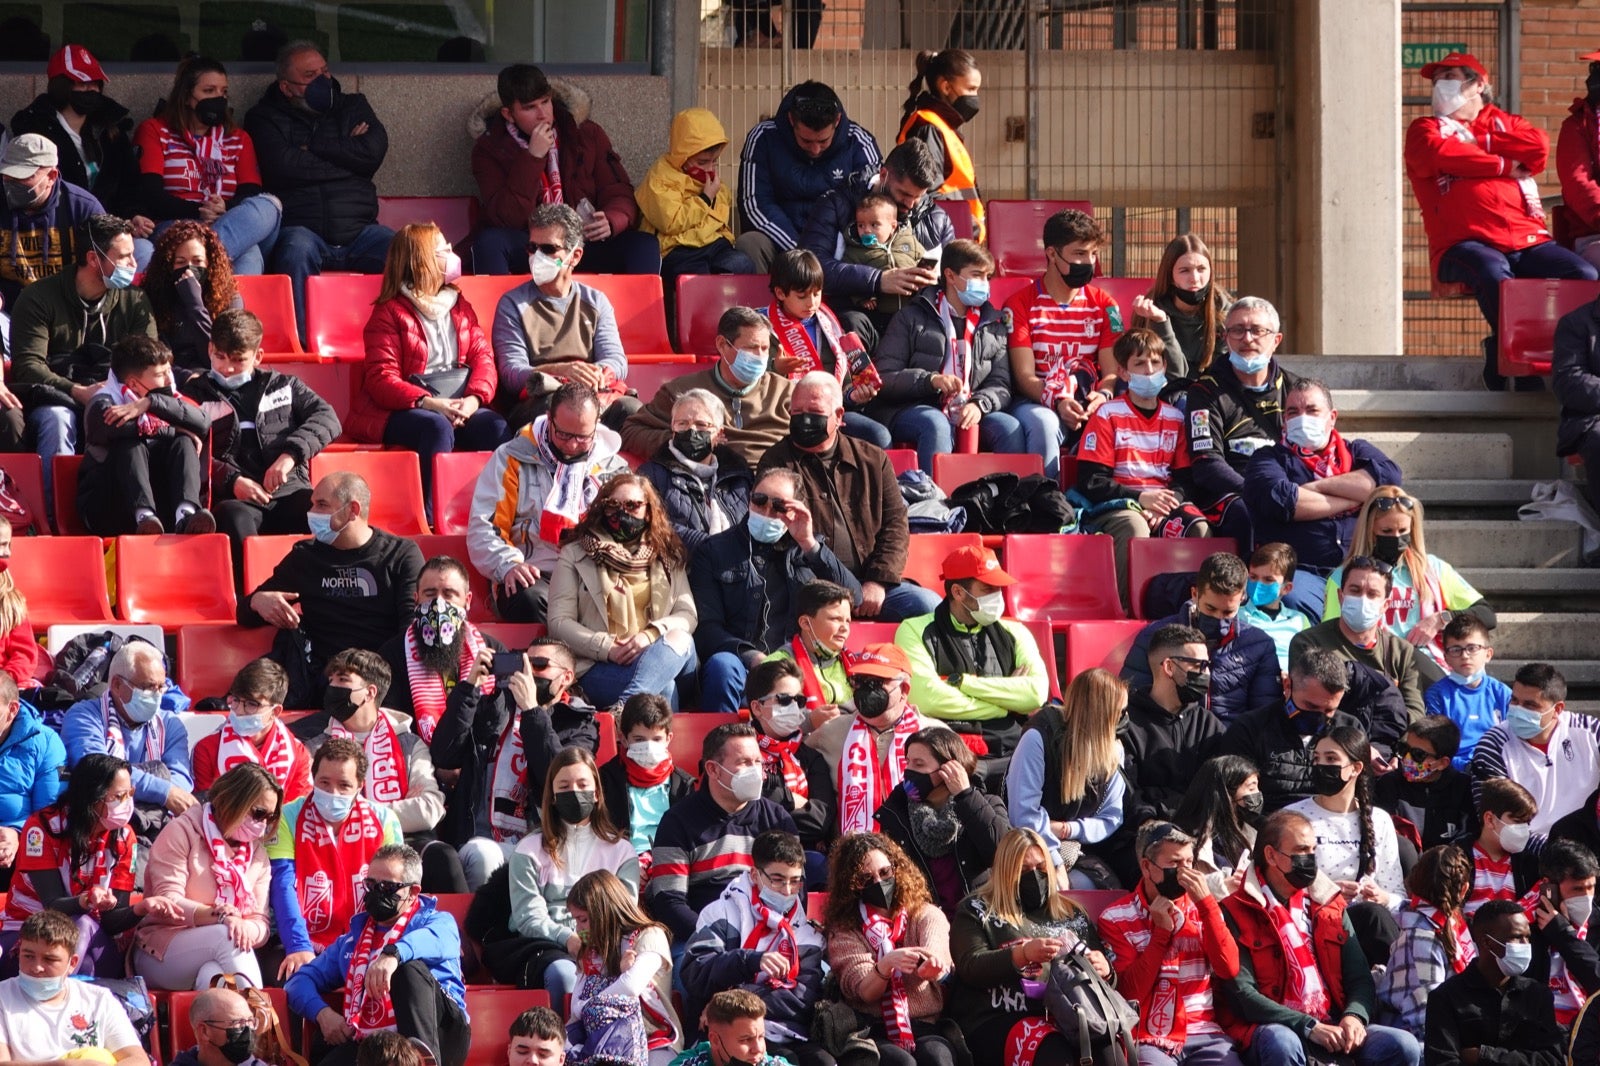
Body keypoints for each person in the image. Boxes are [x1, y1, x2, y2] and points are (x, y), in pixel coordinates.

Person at [1404, 51, 1597, 391]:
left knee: (1583, 275)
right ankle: (1515, 360)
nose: (1440, 86)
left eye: (1449, 77)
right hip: (1462, 245)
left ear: (1478, 84)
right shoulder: (1426, 128)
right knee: (1493, 271)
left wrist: (1483, 140)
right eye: (1437, 80)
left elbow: (1536, 147)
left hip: (1528, 240)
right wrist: (1503, 165)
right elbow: (1439, 153)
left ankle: (1563, 356)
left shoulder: (1508, 123)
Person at [1218, 809, 1422, 1066]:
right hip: (1273, 1027)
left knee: (1403, 1046)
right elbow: (1242, 994)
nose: (1310, 859)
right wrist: (1308, 1025)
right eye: (1301, 850)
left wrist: (1354, 1017)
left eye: (1313, 851)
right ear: (1271, 855)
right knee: (1283, 1042)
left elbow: (1359, 977)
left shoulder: (1328, 903)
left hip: (1332, 1022)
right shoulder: (1235, 910)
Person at [346, 221, 505, 511]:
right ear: (423, 262)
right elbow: (381, 379)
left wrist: (473, 400)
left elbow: (484, 358)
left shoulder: (459, 304)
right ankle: (433, 515)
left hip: (458, 404)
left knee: (496, 428)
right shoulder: (388, 313)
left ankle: (497, 512)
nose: (451, 253)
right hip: (405, 409)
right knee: (436, 428)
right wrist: (432, 404)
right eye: (443, 249)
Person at [180, 308, 341, 586]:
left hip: (289, 490)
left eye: (238, 360)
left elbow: (327, 418)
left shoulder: (285, 386)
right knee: (233, 516)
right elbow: (188, 449)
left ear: (258, 357)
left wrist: (289, 457)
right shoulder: (193, 394)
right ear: (209, 349)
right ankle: (254, 597)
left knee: (328, 514)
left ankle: (325, 595)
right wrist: (232, 480)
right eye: (219, 357)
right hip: (236, 499)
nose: (227, 368)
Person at [760, 372, 939, 621]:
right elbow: (777, 535)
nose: (804, 419)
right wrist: (839, 589)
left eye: (814, 411)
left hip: (872, 581)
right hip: (809, 585)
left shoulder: (873, 459)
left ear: (839, 416)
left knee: (929, 606)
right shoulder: (776, 461)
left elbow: (895, 526)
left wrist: (877, 582)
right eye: (797, 411)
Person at [246, 41, 394, 340]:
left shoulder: (353, 105)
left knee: (407, 251)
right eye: (310, 75)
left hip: (360, 231)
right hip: (303, 229)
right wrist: (349, 159)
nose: (323, 81)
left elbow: (372, 152)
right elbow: (282, 166)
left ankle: (397, 344)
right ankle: (300, 345)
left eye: (325, 71)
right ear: (286, 88)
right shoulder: (263, 117)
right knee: (295, 250)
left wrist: (313, 147)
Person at [240, 471, 425, 703]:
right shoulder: (305, 557)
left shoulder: (401, 555)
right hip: (325, 686)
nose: (311, 513)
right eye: (312, 504)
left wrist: (369, 679)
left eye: (322, 505)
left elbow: (411, 632)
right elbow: (244, 614)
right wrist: (258, 601)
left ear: (352, 510)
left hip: (381, 685)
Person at [10, 212, 155, 501]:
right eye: (124, 257)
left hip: (118, 395)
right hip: (55, 397)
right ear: (93, 259)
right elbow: (28, 366)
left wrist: (114, 390)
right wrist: (78, 392)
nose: (134, 264)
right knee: (57, 419)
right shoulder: (39, 298)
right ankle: (55, 514)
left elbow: (150, 360)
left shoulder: (135, 299)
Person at [439, 636, 602, 889]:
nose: (528, 672)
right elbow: (444, 755)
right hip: (478, 840)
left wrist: (532, 711)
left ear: (566, 677)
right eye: (524, 663)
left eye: (538, 665)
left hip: (544, 846)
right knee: (484, 854)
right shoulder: (495, 706)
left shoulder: (580, 724)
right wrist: (469, 688)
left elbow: (561, 777)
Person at [283, 844, 469, 1066]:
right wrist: (323, 1014)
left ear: (413, 892)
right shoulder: (352, 941)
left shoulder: (437, 921)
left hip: (442, 1035)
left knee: (406, 969)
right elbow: (297, 982)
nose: (376, 892)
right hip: (375, 1041)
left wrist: (393, 955)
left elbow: (439, 939)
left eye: (388, 887)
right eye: (370, 885)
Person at [947, 827, 1113, 1066]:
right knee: (1054, 1053)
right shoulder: (975, 910)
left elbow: (1105, 974)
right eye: (1024, 870)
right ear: (1006, 872)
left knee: (1110, 1051)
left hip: (1071, 1014)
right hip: (999, 1016)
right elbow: (970, 966)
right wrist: (1021, 955)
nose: (1034, 876)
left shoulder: (1072, 913)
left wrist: (1104, 970)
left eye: (1041, 868)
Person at [470, 63, 656, 277]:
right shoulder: (489, 148)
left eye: (546, 102)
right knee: (490, 243)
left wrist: (613, 219)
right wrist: (532, 158)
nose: (542, 114)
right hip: (532, 244)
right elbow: (505, 218)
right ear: (509, 114)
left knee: (643, 245)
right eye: (530, 108)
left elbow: (618, 189)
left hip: (582, 240)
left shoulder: (585, 134)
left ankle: (639, 311)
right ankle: (502, 310)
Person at [468, 381, 629, 624]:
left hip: (594, 571)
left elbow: (632, 530)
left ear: (596, 427)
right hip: (532, 571)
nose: (572, 445)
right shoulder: (511, 457)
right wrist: (507, 564)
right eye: (563, 434)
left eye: (582, 437)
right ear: (548, 418)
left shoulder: (612, 467)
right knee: (528, 600)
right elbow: (484, 527)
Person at [1242, 378, 1403, 619]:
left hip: (1360, 568)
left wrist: (1316, 488)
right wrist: (1358, 497)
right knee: (1293, 597)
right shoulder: (1268, 458)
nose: (1302, 417)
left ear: (1332, 417)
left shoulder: (1355, 452)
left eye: (1312, 410)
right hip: (1301, 572)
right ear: (1284, 420)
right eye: (1293, 412)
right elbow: (1287, 501)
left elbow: (1390, 478)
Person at [490, 746, 638, 1000]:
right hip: (547, 946)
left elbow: (624, 912)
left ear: (596, 793)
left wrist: (593, 943)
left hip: (606, 944)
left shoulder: (622, 851)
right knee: (563, 973)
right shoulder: (529, 850)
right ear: (553, 796)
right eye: (565, 787)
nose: (575, 793)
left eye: (583, 785)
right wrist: (568, 938)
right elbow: (528, 916)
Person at [1074, 328, 1209, 605]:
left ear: (1165, 366)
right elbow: (1091, 481)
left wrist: (1166, 506)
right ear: (1123, 372)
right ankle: (1126, 609)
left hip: (1162, 505)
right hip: (1116, 506)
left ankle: (1194, 608)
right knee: (1135, 526)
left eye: (1155, 362)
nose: (1149, 370)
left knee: (1199, 527)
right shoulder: (1107, 414)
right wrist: (1140, 499)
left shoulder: (1175, 418)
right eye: (1139, 363)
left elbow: (1186, 479)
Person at [1096, 821, 1246, 1066]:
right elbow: (1128, 993)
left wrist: (1207, 907)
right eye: (1174, 864)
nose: (1185, 872)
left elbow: (1229, 968)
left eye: (1189, 863)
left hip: (1204, 1031)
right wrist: (1161, 934)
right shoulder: (1115, 918)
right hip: (1148, 1036)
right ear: (1147, 866)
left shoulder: (1204, 907)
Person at [871, 238, 1025, 472]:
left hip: (972, 407)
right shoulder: (911, 317)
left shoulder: (994, 322)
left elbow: (1001, 383)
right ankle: (933, 501)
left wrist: (980, 404)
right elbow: (885, 376)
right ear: (950, 276)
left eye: (987, 277)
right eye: (976, 275)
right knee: (935, 423)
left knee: (1009, 427)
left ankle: (1006, 504)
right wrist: (930, 381)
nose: (984, 284)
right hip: (916, 406)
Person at [298, 650, 452, 881]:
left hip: (405, 844)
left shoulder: (409, 744)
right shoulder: (315, 748)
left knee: (444, 859)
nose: (332, 687)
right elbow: (313, 808)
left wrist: (353, 811)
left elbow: (430, 809)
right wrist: (397, 807)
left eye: (343, 680)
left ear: (369, 692)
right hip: (337, 845)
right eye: (331, 681)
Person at [547, 473, 696, 708]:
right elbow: (558, 622)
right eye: (613, 506)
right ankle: (635, 717)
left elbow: (687, 616)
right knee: (663, 688)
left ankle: (624, 709)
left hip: (658, 655)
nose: (622, 513)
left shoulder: (666, 555)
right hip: (599, 665)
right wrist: (607, 648)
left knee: (680, 638)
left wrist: (649, 636)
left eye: (632, 506)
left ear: (648, 511)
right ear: (602, 509)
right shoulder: (575, 554)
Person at [681, 833, 829, 1066]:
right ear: (755, 875)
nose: (787, 891)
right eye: (777, 879)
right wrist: (749, 961)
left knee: (823, 1062)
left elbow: (803, 997)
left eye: (795, 880)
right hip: (729, 1030)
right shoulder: (721, 913)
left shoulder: (806, 932)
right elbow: (696, 973)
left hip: (787, 1029)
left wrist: (732, 1000)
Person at [647, 721, 798, 946]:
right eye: (744, 762)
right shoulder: (677, 822)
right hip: (702, 942)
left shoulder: (778, 819)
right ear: (713, 769)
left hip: (770, 939)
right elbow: (669, 901)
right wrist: (717, 939)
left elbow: (795, 890)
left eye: (758, 762)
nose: (756, 770)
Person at [1320, 487, 1492, 681]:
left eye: (1403, 531)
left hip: (1430, 663)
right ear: (1370, 531)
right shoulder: (1344, 577)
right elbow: (1331, 633)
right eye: (1387, 531)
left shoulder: (1433, 568)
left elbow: (1486, 615)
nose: (1396, 537)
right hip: (1372, 664)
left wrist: (1441, 619)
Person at [133, 762, 280, 990]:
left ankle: (237, 1025)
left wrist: (243, 927)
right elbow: (168, 901)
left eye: (270, 817)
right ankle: (263, 1022)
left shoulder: (258, 855)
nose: (263, 824)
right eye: (259, 813)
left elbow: (260, 922)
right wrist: (220, 917)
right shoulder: (182, 831)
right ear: (232, 800)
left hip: (218, 954)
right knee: (226, 936)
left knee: (215, 976)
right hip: (160, 950)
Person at [1000, 206, 1122, 480]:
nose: (1088, 262)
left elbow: (1111, 373)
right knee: (1044, 424)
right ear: (1051, 254)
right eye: (1079, 254)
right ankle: (1048, 507)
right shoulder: (1019, 304)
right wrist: (1057, 401)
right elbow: (1024, 377)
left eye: (1093, 254)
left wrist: (1102, 396)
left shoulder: (1106, 306)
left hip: (1089, 400)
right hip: (1037, 402)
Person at [895, 543, 1048, 760]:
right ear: (958, 592)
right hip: (949, 750)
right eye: (988, 590)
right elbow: (926, 698)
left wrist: (963, 683)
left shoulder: (1015, 631)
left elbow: (1035, 694)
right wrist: (1007, 705)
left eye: (999, 589)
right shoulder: (913, 630)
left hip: (1011, 746)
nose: (997, 596)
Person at [491, 204, 635, 433]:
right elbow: (512, 373)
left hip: (594, 393)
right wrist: (563, 370)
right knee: (559, 410)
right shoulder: (512, 304)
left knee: (635, 412)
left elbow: (616, 361)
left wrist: (590, 375)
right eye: (531, 247)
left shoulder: (596, 301)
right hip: (539, 400)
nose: (536, 256)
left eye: (547, 249)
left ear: (575, 256)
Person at [268, 736, 404, 980]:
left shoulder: (384, 820)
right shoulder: (287, 817)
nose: (333, 792)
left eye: (343, 785)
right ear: (313, 780)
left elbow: (396, 891)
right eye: (324, 783)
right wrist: (298, 946)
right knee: (286, 975)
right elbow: (282, 885)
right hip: (305, 938)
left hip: (369, 937)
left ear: (360, 785)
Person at [133, 55, 281, 275]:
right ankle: (209, 274)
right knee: (250, 254)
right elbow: (152, 195)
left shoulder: (238, 138)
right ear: (186, 97)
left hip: (228, 223)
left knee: (269, 205)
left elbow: (250, 192)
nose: (219, 98)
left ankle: (201, 267)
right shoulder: (155, 130)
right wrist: (200, 213)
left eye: (223, 92)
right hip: (176, 225)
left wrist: (225, 209)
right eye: (209, 91)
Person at [0, 753, 144, 977]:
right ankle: (55, 996)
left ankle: (55, 995)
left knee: (85, 926)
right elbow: (52, 905)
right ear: (92, 797)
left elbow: (112, 920)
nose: (126, 803)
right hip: (29, 932)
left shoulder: (125, 837)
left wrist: (142, 909)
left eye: (130, 794)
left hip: (91, 936)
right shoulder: (42, 827)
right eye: (119, 796)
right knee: (82, 938)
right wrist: (86, 900)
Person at [824, 831, 960, 1066]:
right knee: (901, 1063)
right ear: (852, 886)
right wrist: (885, 966)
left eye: (885, 872)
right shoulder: (845, 930)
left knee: (937, 1058)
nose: (878, 882)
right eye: (866, 879)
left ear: (897, 869)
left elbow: (936, 951)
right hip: (871, 1028)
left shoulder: (925, 914)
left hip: (925, 1024)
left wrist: (931, 966)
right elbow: (864, 991)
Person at [800, 141, 952, 341]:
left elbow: (957, 273)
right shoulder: (837, 205)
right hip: (855, 315)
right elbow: (810, 267)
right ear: (883, 175)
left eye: (918, 197)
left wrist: (936, 282)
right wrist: (877, 280)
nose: (910, 205)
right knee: (853, 326)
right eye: (904, 194)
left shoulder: (935, 218)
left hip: (914, 320)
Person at [1182, 297, 1303, 548]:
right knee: (1250, 515)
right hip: (1231, 493)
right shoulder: (1205, 391)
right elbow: (1207, 465)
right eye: (1237, 330)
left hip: (1288, 487)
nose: (1247, 339)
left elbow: (1316, 450)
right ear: (1225, 338)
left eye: (1258, 330)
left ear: (1276, 340)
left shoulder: (1297, 390)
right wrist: (1261, 491)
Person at [1286, 726, 1405, 967]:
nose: (1321, 766)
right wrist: (1327, 892)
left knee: (1375, 914)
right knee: (1372, 916)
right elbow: (1277, 889)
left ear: (1356, 768)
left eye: (1331, 759)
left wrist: (1382, 897)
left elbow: (1398, 896)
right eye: (1316, 758)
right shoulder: (1292, 817)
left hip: (1367, 929)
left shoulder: (1379, 819)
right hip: (1312, 923)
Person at [734, 81, 882, 274]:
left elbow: (874, 205)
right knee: (750, 243)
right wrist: (799, 252)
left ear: (837, 122)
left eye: (823, 141)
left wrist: (827, 250)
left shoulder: (859, 142)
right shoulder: (763, 137)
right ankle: (765, 305)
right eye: (806, 140)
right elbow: (755, 204)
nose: (815, 149)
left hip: (838, 248)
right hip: (783, 246)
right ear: (791, 120)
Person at [1121, 552, 1281, 724]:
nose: (1219, 620)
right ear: (1195, 594)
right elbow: (1131, 700)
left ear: (1242, 598)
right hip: (1168, 736)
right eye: (1210, 609)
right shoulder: (1155, 636)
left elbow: (1264, 717)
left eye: (1228, 612)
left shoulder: (1260, 645)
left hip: (1231, 741)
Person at [622, 307, 793, 466]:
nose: (760, 357)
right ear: (722, 344)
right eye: (751, 348)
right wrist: (681, 441)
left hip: (774, 484)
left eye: (765, 349)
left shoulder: (786, 393)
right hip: (708, 483)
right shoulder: (682, 392)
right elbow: (631, 432)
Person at [79, 332, 213, 536]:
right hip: (110, 506)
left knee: (184, 442)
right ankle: (144, 516)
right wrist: (173, 429)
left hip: (162, 504)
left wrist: (151, 403)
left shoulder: (169, 398)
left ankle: (186, 514)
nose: (170, 379)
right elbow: (118, 428)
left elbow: (203, 421)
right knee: (131, 443)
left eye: (169, 370)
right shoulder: (102, 403)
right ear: (133, 384)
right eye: (160, 374)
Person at [1005, 667, 1128, 889]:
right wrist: (1055, 862)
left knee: (1105, 890)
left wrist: (1067, 829)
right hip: (1028, 847)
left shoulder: (1114, 751)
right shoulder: (1037, 738)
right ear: (1101, 714)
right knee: (1060, 889)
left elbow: (1112, 816)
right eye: (1119, 712)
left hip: (1077, 845)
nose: (1124, 720)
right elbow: (1023, 813)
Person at [62, 641, 196, 840]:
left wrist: (161, 795)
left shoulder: (170, 725)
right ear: (116, 684)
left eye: (161, 687)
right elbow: (97, 769)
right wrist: (163, 792)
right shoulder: (84, 716)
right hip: (101, 828)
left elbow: (181, 781)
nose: (157, 695)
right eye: (149, 687)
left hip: (157, 826)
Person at [9, 45, 145, 236]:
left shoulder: (111, 129)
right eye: (82, 83)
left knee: (144, 250)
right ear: (61, 86)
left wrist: (133, 215)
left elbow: (128, 184)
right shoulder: (34, 129)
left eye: (96, 83)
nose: (91, 89)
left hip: (111, 231)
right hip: (59, 230)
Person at [805, 642, 935, 838]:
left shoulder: (934, 735)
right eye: (861, 682)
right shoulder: (831, 733)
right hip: (851, 855)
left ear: (904, 689)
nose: (866, 690)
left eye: (876, 683)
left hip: (920, 856)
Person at [874, 725, 1009, 913]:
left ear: (950, 768)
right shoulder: (897, 814)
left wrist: (965, 795)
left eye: (919, 764)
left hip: (979, 919)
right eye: (908, 762)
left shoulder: (985, 803)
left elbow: (1005, 853)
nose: (909, 771)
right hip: (924, 920)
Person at [765, 247, 890, 448]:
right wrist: (775, 369)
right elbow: (747, 383)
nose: (812, 303)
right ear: (780, 293)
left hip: (833, 412)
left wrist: (852, 395)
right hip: (788, 414)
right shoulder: (763, 327)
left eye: (817, 293)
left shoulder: (830, 322)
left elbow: (844, 383)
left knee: (879, 436)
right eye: (802, 296)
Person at [1215, 648, 1363, 812]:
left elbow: (1363, 794)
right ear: (1287, 686)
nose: (1319, 716)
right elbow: (1236, 800)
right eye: (1310, 706)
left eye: (1329, 710)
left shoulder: (1349, 729)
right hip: (1268, 828)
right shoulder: (1250, 728)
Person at [563, 868, 683, 1066]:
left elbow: (630, 987)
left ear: (604, 913)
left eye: (583, 919)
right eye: (575, 920)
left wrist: (587, 1006)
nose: (578, 929)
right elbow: (577, 1005)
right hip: (598, 1040)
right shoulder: (590, 951)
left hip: (651, 1038)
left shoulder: (650, 935)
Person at [0, 909, 151, 1066]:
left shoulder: (100, 999)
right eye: (28, 956)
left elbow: (138, 1060)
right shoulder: (2, 997)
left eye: (49, 959)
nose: (37, 967)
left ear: (72, 964)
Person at [1423, 899, 1562, 1064]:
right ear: (1487, 942)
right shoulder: (1446, 998)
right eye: (1517, 937)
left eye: (1527, 937)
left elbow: (1553, 1059)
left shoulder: (1537, 994)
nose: (1526, 945)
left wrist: (1485, 1055)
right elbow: (1443, 1061)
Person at [1470, 663, 1600, 839]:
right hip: (1525, 851)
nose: (1517, 709)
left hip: (1588, 845)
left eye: (1530, 705)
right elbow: (1498, 823)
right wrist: (1555, 851)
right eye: (1514, 700)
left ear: (1558, 709)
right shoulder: (1493, 745)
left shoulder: (1591, 731)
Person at [1291, 556, 1426, 720]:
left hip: (1386, 742)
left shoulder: (1402, 652)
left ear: (1385, 605)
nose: (1363, 600)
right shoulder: (1308, 643)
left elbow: (1415, 714)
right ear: (1341, 597)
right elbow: (1308, 703)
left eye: (1372, 594)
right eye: (1355, 591)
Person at [1119, 624, 1225, 833]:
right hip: (1145, 835)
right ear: (1169, 667)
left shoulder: (1208, 724)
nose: (1207, 674)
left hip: (1202, 832)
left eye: (1207, 665)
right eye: (1198, 666)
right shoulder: (1125, 723)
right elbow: (1129, 795)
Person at [637, 108, 755, 287]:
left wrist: (715, 195)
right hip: (678, 249)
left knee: (742, 265)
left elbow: (721, 212)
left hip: (714, 244)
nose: (709, 168)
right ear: (682, 156)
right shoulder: (661, 177)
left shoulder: (707, 179)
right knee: (698, 280)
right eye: (702, 162)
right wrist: (705, 199)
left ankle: (736, 314)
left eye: (714, 161)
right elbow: (670, 221)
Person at [742, 661, 835, 872]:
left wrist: (767, 801)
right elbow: (740, 814)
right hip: (746, 854)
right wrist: (791, 800)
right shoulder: (738, 751)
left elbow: (819, 821)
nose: (794, 708)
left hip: (800, 858)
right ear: (757, 708)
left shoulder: (811, 757)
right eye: (784, 700)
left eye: (799, 700)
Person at [637, 388, 753, 554]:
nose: (691, 431)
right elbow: (654, 526)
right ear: (673, 428)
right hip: (685, 570)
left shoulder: (739, 475)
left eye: (701, 425)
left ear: (719, 434)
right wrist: (710, 546)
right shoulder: (651, 475)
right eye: (682, 424)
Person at [1376, 844, 1474, 1038]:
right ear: (1464, 890)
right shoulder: (1422, 938)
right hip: (1413, 1035)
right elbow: (1427, 1017)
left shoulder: (1454, 925)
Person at [0, 132, 106, 307]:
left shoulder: (83, 209)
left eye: (22, 176)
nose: (12, 182)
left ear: (51, 176)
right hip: (9, 308)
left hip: (68, 310)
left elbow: (103, 270)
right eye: (7, 175)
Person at [896, 49, 985, 242]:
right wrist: (970, 225)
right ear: (946, 87)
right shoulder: (929, 127)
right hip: (946, 236)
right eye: (970, 89)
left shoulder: (941, 127)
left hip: (956, 234)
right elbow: (927, 192)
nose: (975, 97)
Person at [190, 657, 312, 798]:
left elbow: (295, 811)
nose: (239, 710)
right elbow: (203, 808)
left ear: (275, 712)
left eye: (251, 704)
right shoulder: (207, 748)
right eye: (236, 700)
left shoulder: (298, 754)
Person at [597, 693, 695, 863]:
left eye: (657, 739)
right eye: (639, 739)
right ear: (623, 738)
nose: (649, 746)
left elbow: (688, 837)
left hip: (669, 862)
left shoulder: (683, 784)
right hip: (620, 862)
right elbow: (601, 833)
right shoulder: (606, 779)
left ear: (668, 739)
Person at [1130, 234, 1232, 383]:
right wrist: (1160, 322)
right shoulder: (1150, 309)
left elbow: (1221, 374)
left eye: (1201, 269)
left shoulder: (1225, 312)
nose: (1195, 278)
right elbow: (1175, 375)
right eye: (1185, 271)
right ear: (1170, 275)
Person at [143, 219, 242, 371]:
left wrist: (195, 305)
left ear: (210, 264)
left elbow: (221, 360)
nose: (189, 269)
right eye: (181, 262)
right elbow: (155, 356)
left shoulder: (228, 298)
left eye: (197, 261)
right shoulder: (155, 295)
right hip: (173, 376)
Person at [1525, 839, 1600, 1029]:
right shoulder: (1521, 924)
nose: (1586, 896)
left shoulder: (1597, 922)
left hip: (1587, 1027)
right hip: (1539, 1028)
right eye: (1577, 889)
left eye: (1590, 887)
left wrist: (1564, 935)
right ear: (1548, 887)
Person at [1373, 716, 1475, 855]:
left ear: (1442, 763)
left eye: (1418, 754)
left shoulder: (1464, 789)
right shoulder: (1388, 784)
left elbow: (1467, 841)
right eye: (1404, 749)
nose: (1407, 758)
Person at [1423, 614, 1510, 770]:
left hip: (1496, 768)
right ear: (1446, 657)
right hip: (1453, 771)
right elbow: (1436, 746)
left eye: (1472, 648)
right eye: (1456, 649)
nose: (1464, 656)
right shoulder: (1437, 695)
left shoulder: (1502, 693)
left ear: (1488, 654)